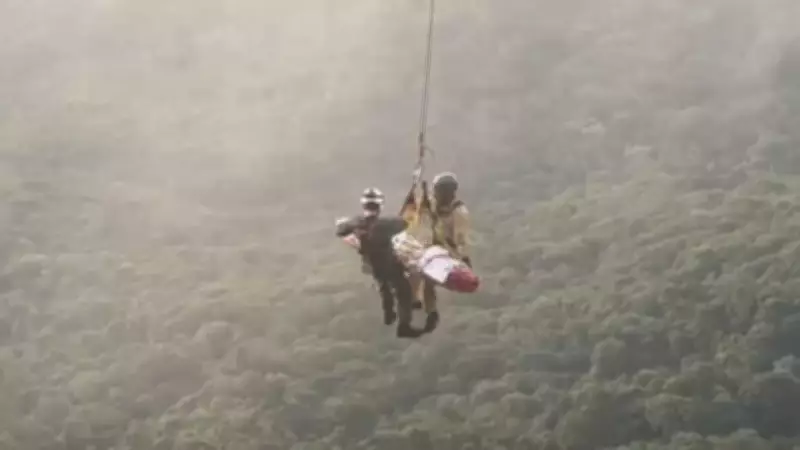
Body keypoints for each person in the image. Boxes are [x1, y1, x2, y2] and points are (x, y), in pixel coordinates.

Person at [336, 188, 425, 338]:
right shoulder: (387, 223)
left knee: (383, 285)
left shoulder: (356, 222)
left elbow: (341, 230)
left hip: (370, 263)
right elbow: (405, 223)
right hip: (388, 262)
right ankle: (404, 325)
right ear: (380, 205)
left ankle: (389, 314)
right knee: (403, 291)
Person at [420, 171, 472, 333]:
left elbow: (460, 237)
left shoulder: (458, 212)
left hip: (448, 251)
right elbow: (423, 215)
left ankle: (431, 312)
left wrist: (463, 257)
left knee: (427, 280)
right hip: (431, 247)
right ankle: (429, 311)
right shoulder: (433, 205)